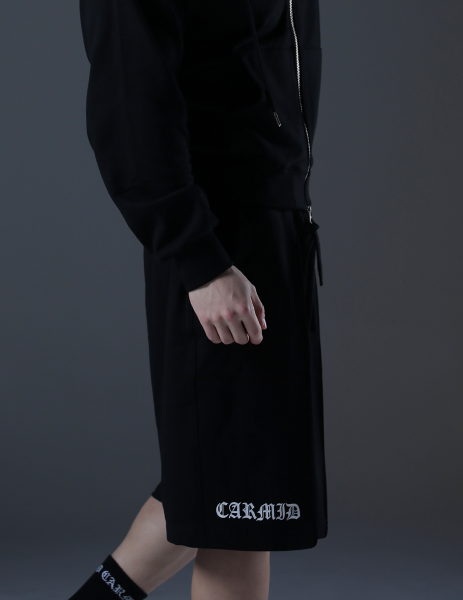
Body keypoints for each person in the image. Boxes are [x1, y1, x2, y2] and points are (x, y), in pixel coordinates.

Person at [69, 0, 327, 599]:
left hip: (278, 228)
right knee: (237, 507)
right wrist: (200, 262)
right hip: (219, 236)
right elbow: (129, 102)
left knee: (230, 483)